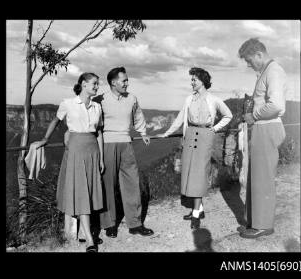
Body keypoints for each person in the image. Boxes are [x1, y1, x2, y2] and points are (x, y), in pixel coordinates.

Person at [34, 72, 104, 252]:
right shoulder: (68, 103)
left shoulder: (97, 106)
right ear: (83, 84)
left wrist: (101, 158)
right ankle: (89, 239)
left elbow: (99, 133)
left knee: (88, 191)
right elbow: (55, 122)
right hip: (75, 151)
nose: (97, 87)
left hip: (92, 150)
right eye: (94, 83)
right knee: (81, 192)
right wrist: (44, 139)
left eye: (98, 84)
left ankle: (83, 233)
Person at [157, 67, 232, 229]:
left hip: (205, 136)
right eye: (191, 79)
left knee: (199, 174)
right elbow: (179, 119)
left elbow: (228, 115)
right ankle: (199, 208)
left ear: (203, 81)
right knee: (190, 173)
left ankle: (196, 214)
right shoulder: (189, 99)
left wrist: (214, 129)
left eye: (194, 80)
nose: (191, 82)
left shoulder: (214, 99)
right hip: (190, 135)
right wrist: (167, 133)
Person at [93, 66, 154, 238]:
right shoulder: (100, 99)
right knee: (108, 185)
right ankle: (110, 224)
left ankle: (135, 224)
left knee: (132, 183)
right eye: (124, 80)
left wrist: (143, 133)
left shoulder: (132, 98)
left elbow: (138, 117)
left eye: (127, 80)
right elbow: (92, 123)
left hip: (126, 143)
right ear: (113, 82)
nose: (127, 83)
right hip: (107, 145)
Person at [237, 38, 286, 238]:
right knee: (255, 177)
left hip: (268, 128)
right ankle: (254, 221)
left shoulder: (273, 71)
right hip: (261, 128)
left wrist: (253, 116)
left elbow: (276, 105)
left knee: (263, 179)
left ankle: (264, 225)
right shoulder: (265, 72)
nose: (248, 65)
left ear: (259, 54)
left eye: (249, 60)